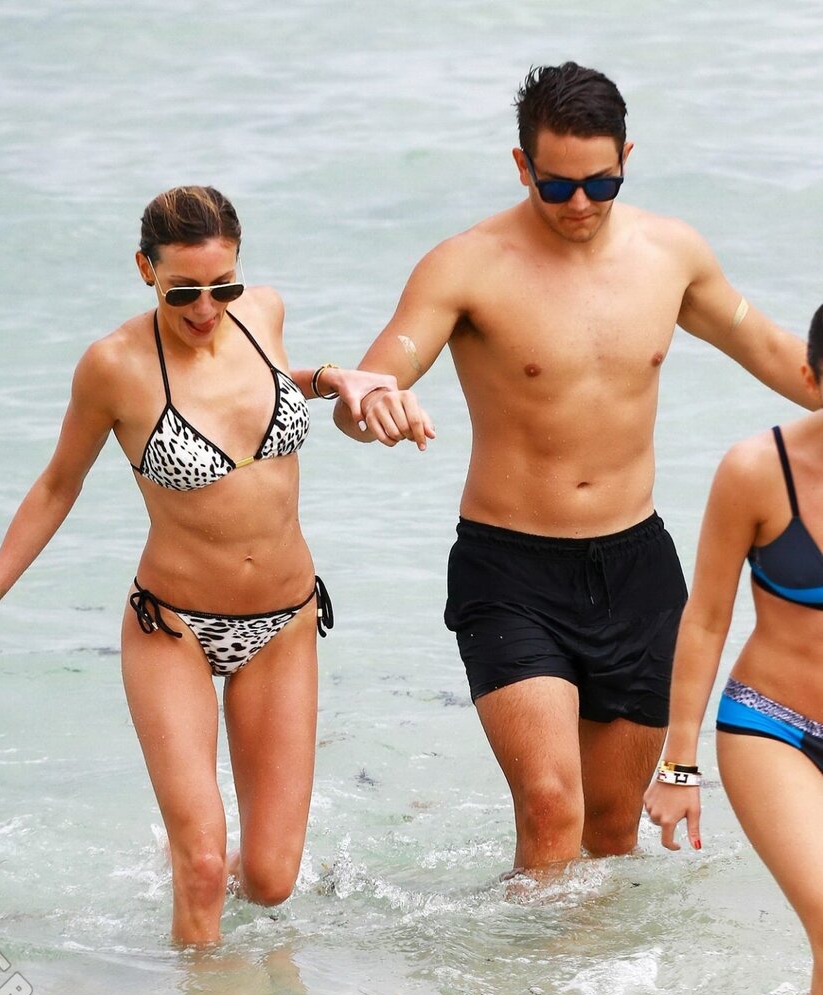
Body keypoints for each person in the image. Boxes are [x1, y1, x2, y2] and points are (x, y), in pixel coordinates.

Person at [333, 62, 817, 881]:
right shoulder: (466, 265)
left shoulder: (672, 254)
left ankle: (579, 971)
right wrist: (372, 402)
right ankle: (530, 967)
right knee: (552, 808)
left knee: (613, 829)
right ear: (522, 165)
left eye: (602, 182)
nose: (581, 203)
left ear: (627, 156)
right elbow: (372, 383)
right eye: (557, 186)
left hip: (637, 568)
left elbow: (778, 355)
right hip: (510, 569)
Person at [0, 184, 393, 945]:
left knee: (271, 882)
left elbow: (268, 385)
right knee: (207, 868)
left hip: (285, 624)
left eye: (223, 286)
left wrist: (335, 379)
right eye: (184, 291)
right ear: (145, 269)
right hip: (172, 626)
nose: (206, 308)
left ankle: (199, 884)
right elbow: (57, 486)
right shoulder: (113, 366)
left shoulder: (265, 313)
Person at [644, 304, 823, 995]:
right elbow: (707, 618)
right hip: (773, 727)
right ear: (811, 379)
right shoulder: (758, 470)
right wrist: (679, 764)